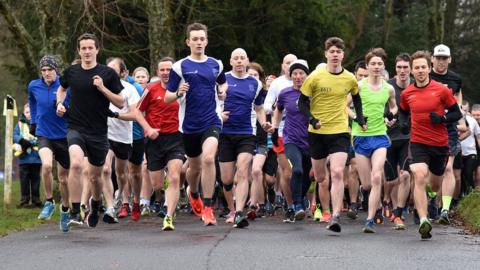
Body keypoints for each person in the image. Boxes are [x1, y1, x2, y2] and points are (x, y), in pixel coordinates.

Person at [56, 33, 124, 230]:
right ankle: (75, 210)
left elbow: (120, 102)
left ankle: (95, 204)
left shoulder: (107, 74)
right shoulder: (71, 72)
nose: (86, 51)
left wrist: (103, 89)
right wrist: (60, 103)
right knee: (76, 164)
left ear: (97, 50)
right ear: (79, 50)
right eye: (83, 48)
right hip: (76, 127)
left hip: (98, 132)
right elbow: (61, 89)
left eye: (90, 48)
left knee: (95, 177)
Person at [298, 37, 366, 233]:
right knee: (320, 177)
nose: (335, 55)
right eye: (332, 52)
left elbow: (356, 98)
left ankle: (335, 216)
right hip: (317, 132)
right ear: (326, 54)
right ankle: (321, 203)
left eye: (338, 52)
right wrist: (312, 120)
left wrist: (360, 118)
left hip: (340, 131)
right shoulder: (314, 77)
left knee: (337, 172)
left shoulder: (350, 79)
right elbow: (301, 103)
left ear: (343, 55)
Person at [164, 23, 227, 226]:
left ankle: (208, 208)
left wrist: (223, 91)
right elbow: (167, 97)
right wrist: (178, 92)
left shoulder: (216, 64)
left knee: (209, 158)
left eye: (202, 39)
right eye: (195, 39)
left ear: (206, 41)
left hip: (212, 120)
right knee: (194, 168)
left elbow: (222, 82)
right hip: (189, 125)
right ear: (188, 42)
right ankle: (193, 192)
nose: (199, 42)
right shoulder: (179, 66)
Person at [399, 50, 462, 239]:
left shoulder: (441, 90)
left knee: (434, 185)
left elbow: (456, 113)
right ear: (412, 70)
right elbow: (403, 111)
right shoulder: (407, 92)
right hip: (418, 142)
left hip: (440, 144)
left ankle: (432, 198)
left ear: (429, 68)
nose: (420, 71)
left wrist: (442, 118)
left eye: (423, 67)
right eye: (416, 68)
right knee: (418, 175)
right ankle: (424, 219)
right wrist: (403, 123)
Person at [350, 48, 397, 233]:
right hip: (360, 137)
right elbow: (345, 106)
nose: (376, 67)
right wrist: (357, 118)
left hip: (379, 136)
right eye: (373, 64)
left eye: (379, 64)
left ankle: (369, 220)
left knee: (377, 176)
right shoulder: (358, 86)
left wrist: (389, 116)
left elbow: (394, 108)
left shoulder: (389, 88)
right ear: (367, 66)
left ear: (383, 66)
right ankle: (371, 199)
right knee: (368, 184)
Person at [219, 48, 267, 228]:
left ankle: (239, 212)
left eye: (242, 58)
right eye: (236, 58)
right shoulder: (222, 80)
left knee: (243, 171)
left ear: (247, 61)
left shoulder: (256, 84)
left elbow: (260, 108)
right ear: (231, 61)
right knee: (227, 179)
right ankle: (231, 209)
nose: (239, 61)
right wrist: (218, 113)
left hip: (247, 132)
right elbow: (212, 102)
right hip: (224, 133)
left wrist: (263, 124)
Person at [137, 57, 185, 230]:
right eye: (162, 70)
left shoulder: (182, 88)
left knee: (174, 176)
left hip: (176, 138)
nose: (166, 73)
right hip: (154, 139)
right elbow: (137, 112)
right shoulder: (150, 89)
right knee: (157, 184)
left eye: (169, 70)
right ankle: (162, 194)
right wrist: (148, 129)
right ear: (157, 72)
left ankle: (169, 216)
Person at [28, 55, 70, 225]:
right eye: (43, 70)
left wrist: (65, 108)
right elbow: (31, 101)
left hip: (63, 135)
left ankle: (66, 210)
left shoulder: (64, 84)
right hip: (43, 132)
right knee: (46, 166)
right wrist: (33, 122)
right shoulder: (33, 85)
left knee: (63, 179)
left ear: (56, 70)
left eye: (50, 69)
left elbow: (73, 103)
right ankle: (49, 201)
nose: (46, 73)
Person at [100, 57, 141, 223]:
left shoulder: (130, 89)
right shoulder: (99, 88)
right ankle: (110, 207)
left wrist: (117, 115)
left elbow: (136, 115)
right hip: (105, 135)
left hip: (124, 137)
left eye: (114, 70)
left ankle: (122, 198)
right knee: (105, 169)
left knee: (122, 174)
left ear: (123, 73)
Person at [429, 44, 466, 224]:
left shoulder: (455, 79)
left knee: (448, 168)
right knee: (430, 172)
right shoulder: (425, 76)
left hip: (449, 127)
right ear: (432, 59)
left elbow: (458, 97)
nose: (441, 61)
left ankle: (445, 209)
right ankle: (430, 199)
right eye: (438, 58)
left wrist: (458, 110)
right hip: (428, 127)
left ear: (450, 59)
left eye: (445, 58)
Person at [270, 59, 311, 222]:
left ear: (307, 76)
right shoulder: (285, 93)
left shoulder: (313, 93)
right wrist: (275, 127)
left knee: (308, 175)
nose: (298, 76)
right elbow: (278, 110)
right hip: (290, 138)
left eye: (301, 73)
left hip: (310, 139)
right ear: (290, 75)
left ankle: (300, 198)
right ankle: (298, 205)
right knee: (298, 170)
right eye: (295, 73)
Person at [263, 54, 297, 213]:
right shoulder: (277, 83)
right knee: (287, 172)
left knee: (301, 171)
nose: (290, 66)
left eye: (293, 63)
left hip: (301, 133)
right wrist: (278, 107)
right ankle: (290, 205)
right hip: (282, 131)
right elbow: (267, 105)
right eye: (287, 63)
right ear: (283, 66)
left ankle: (300, 200)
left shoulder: (306, 82)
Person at [14, 104, 42, 208]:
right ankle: (24, 201)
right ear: (24, 113)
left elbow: (42, 137)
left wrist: (32, 142)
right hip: (24, 159)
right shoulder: (19, 125)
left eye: (31, 112)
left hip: (36, 159)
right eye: (27, 112)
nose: (29, 114)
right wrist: (21, 140)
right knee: (24, 181)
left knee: (35, 181)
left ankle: (36, 200)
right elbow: (15, 135)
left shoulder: (39, 124)